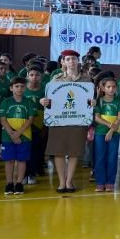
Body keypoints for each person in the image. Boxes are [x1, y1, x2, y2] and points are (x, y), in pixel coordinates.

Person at [40, 50, 92, 194]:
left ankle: (69, 181)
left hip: (78, 120)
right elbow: (49, 98)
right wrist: (43, 101)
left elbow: (89, 100)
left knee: (74, 151)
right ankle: (62, 182)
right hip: (59, 120)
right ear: (63, 62)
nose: (71, 62)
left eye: (74, 59)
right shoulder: (56, 79)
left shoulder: (86, 80)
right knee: (59, 151)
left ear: (78, 61)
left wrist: (92, 102)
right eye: (68, 59)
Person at [0, 76, 34, 195]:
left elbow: (30, 120)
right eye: (17, 86)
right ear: (11, 88)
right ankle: (9, 183)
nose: (19, 88)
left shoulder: (29, 102)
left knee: (21, 160)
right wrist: (12, 134)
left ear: (25, 88)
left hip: (25, 136)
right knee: (9, 160)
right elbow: (3, 120)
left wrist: (18, 133)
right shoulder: (5, 102)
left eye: (22, 86)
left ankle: (19, 183)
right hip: (8, 137)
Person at [92, 75, 120, 192]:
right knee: (100, 158)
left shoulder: (118, 102)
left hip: (114, 134)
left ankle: (110, 182)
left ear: (116, 88)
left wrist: (111, 131)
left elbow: (119, 119)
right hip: (100, 133)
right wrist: (109, 125)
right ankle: (100, 182)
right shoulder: (99, 102)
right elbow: (97, 118)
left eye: (113, 87)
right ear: (103, 88)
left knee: (112, 158)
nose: (111, 89)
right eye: (108, 87)